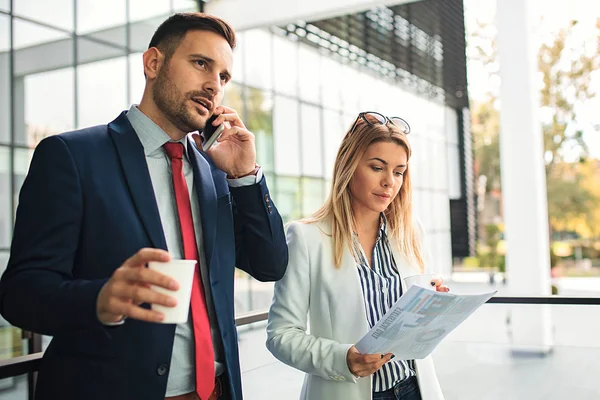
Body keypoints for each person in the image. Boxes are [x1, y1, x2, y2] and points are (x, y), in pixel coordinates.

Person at [0, 12, 288, 400]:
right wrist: (100, 299)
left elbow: (269, 264)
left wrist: (245, 175)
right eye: (201, 63)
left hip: (217, 391)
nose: (213, 86)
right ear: (153, 63)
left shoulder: (216, 170)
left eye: (223, 77)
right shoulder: (72, 157)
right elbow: (20, 293)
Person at [266, 112, 448, 400]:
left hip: (415, 388)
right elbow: (280, 335)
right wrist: (343, 359)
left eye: (399, 172)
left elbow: (414, 325)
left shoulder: (410, 232)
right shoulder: (307, 237)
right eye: (378, 167)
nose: (390, 182)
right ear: (349, 166)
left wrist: (433, 302)